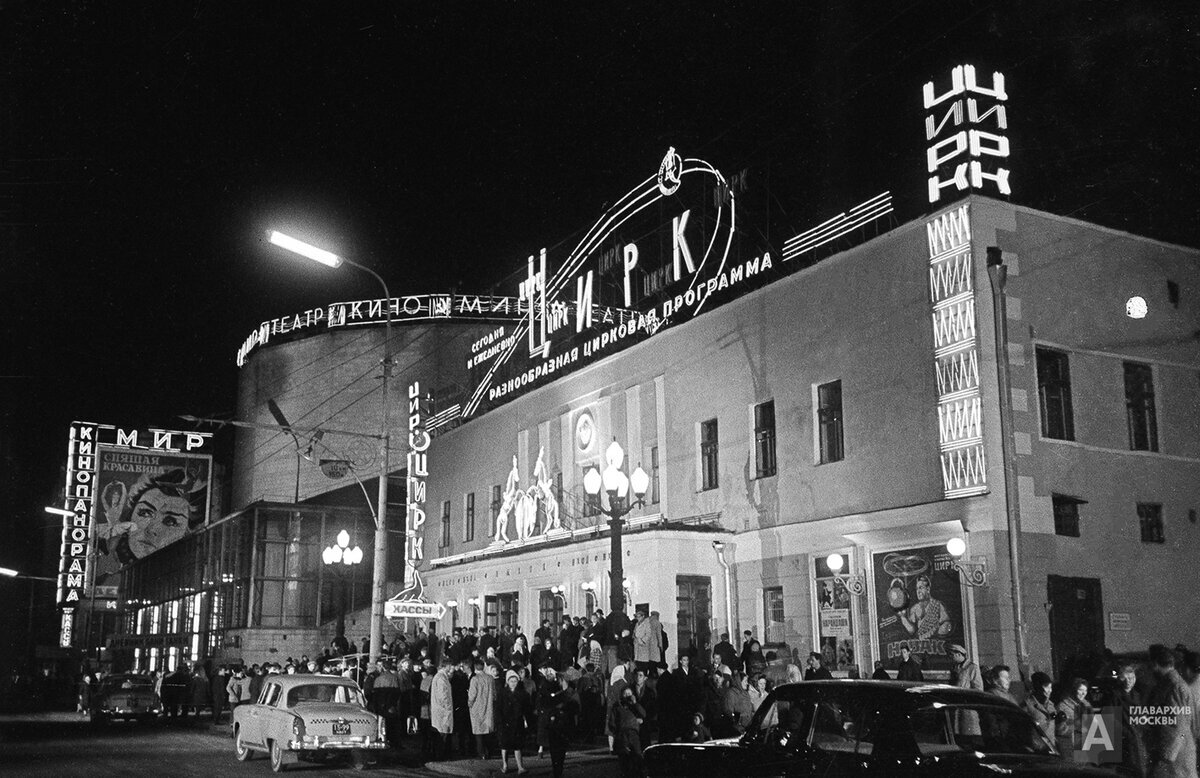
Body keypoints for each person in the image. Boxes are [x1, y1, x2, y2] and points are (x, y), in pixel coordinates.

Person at [96, 467, 206, 565]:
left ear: (187, 531)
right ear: (131, 515)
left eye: (171, 521)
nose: (151, 529)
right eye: (145, 513)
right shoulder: (102, 547)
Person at [1145, 644, 1196, 777]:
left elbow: (1178, 723)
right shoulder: (1171, 684)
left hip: (1174, 754)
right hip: (1175, 751)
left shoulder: (1172, 686)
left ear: (1155, 663)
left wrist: (1165, 757)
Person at [1105, 662, 1146, 777]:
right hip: (1123, 739)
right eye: (1125, 678)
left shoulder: (1136, 695)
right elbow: (1110, 719)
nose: (1129, 681)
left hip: (1137, 738)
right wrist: (1127, 733)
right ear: (1120, 679)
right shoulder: (1114, 695)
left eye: (1132, 678)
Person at [537, 671, 577, 778]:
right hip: (554, 725)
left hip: (564, 725)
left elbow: (575, 707)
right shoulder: (554, 691)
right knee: (555, 751)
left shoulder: (569, 692)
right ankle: (557, 771)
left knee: (560, 751)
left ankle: (558, 770)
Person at [898, 574, 953, 639]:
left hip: (935, 642)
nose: (918, 591)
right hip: (920, 644)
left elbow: (947, 623)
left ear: (928, 589)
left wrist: (941, 630)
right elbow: (912, 631)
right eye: (917, 589)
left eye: (921, 588)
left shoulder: (938, 605)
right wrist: (903, 618)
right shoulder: (914, 609)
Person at [609, 685, 647, 778]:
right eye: (625, 694)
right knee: (624, 759)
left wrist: (635, 703)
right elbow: (612, 723)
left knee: (638, 757)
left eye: (629, 693)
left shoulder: (634, 706)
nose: (627, 696)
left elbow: (643, 714)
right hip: (622, 734)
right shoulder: (617, 706)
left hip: (633, 734)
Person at [498, 670, 529, 774]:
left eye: (515, 681)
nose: (513, 683)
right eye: (511, 681)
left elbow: (526, 708)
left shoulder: (522, 693)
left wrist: (525, 719)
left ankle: (520, 767)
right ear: (507, 681)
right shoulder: (502, 693)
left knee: (518, 745)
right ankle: (505, 765)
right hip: (505, 721)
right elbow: (498, 708)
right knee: (505, 745)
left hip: (517, 721)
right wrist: (500, 720)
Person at [948, 644, 982, 735]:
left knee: (968, 734)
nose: (950, 657)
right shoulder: (953, 668)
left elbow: (978, 689)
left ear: (959, 654)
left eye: (951, 655)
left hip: (968, 708)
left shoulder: (972, 668)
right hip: (956, 706)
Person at [1055, 677, 1093, 758]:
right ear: (1073, 690)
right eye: (1081, 690)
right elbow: (1059, 730)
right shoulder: (1062, 707)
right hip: (1070, 749)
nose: (1083, 693)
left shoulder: (1085, 705)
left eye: (1085, 690)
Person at [468, 661, 497, 760]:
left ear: (475, 668)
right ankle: (489, 751)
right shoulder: (490, 678)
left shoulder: (474, 679)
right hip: (489, 706)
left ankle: (481, 753)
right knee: (488, 731)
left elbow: (472, 695)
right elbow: (494, 694)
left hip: (477, 707)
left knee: (478, 731)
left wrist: (469, 704)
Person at [1024, 671, 1055, 746]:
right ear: (1038, 687)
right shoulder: (1027, 706)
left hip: (1051, 748)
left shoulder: (1050, 705)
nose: (1050, 691)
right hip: (1037, 749)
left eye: (1050, 687)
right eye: (1047, 687)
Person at [431, 664, 455, 758]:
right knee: (442, 734)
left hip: (440, 710)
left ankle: (440, 754)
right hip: (443, 711)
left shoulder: (440, 677)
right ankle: (441, 755)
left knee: (441, 733)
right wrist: (448, 707)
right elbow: (443, 695)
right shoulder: (441, 678)